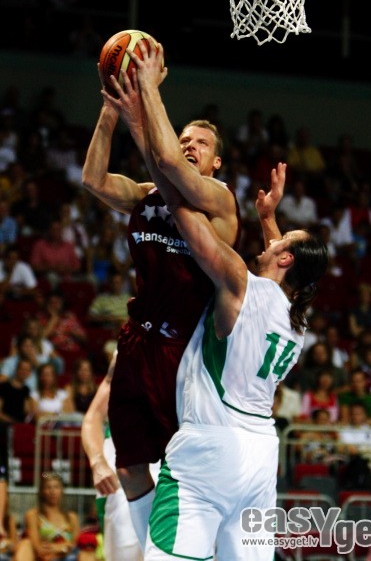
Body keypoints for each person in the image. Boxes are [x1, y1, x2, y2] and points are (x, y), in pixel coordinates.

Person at [82, 41, 241, 550]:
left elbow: (169, 161)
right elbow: (93, 179)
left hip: (182, 351)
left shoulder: (220, 200)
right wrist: (111, 111)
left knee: (179, 465)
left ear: (216, 161)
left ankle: (192, 547)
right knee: (129, 464)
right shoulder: (147, 193)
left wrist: (147, 89)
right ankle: (158, 548)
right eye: (185, 137)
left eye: (201, 143)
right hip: (136, 342)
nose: (190, 144)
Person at [138, 158, 328, 560]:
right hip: (260, 458)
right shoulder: (297, 322)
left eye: (280, 241)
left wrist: (163, 176)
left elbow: (188, 221)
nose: (272, 242)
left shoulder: (242, 284)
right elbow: (277, 275)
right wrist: (268, 219)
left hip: (210, 447)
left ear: (286, 259)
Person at [81, 352, 146, 561]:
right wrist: (97, 461)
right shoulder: (129, 349)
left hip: (176, 463)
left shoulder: (196, 343)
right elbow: (94, 416)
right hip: (125, 466)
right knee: (125, 551)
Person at [14, 472, 94, 561]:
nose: (52, 491)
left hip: (68, 557)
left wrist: (59, 548)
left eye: (56, 487)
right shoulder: (33, 515)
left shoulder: (72, 517)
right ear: (42, 491)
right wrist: (63, 547)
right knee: (25, 544)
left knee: (87, 554)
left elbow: (75, 545)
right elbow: (37, 547)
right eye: (48, 487)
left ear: (61, 490)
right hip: (44, 558)